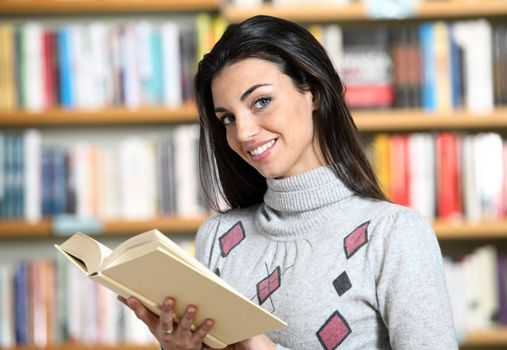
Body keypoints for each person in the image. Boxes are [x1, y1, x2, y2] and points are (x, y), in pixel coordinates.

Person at [121, 15, 458, 350]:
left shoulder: (394, 234)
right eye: (227, 118)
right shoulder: (219, 236)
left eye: (261, 102)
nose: (243, 133)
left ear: (311, 91)